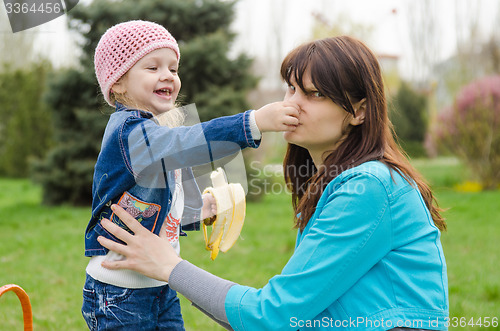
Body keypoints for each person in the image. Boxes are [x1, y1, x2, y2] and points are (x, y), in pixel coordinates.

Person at [96, 36, 449, 331]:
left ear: (358, 111)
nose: (290, 104)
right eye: (291, 89)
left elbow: (272, 316)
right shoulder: (341, 183)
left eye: (313, 94)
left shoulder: (370, 188)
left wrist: (168, 267)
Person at [82, 20, 300, 330]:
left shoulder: (154, 134)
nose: (167, 75)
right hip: (120, 292)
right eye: (152, 67)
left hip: (160, 285)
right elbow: (189, 144)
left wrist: (199, 213)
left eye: (173, 68)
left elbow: (156, 204)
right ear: (117, 83)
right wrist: (252, 122)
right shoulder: (128, 133)